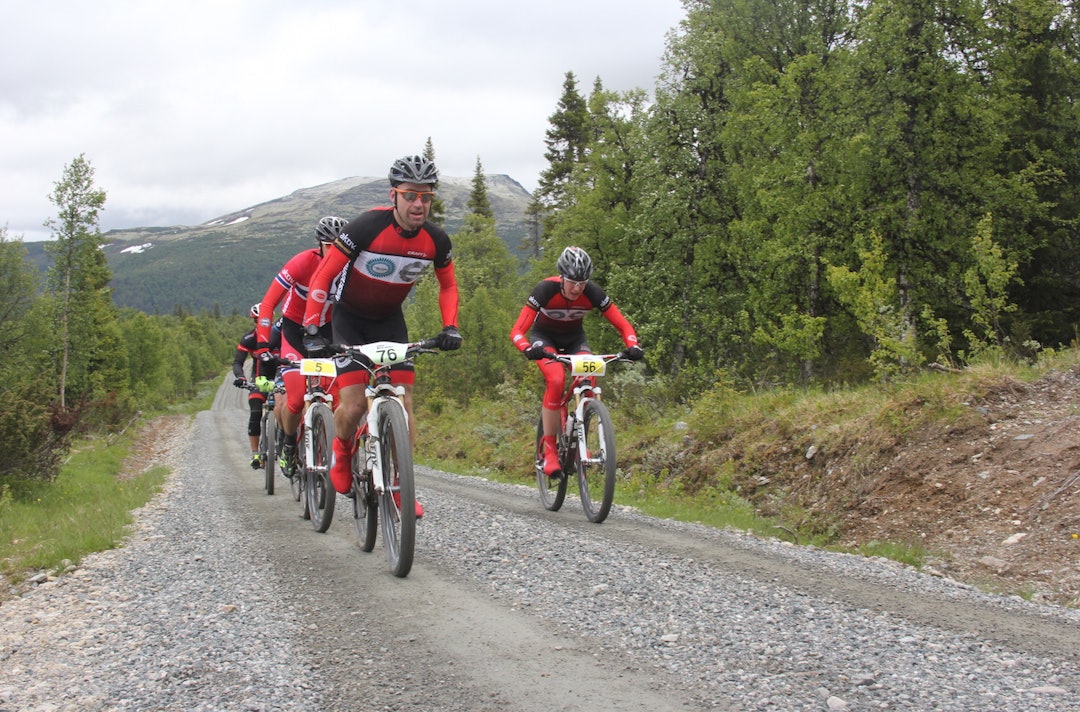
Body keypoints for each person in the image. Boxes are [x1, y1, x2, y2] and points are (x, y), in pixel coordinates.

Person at [302, 155, 463, 516]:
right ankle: (342, 453)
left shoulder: (436, 239)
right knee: (356, 404)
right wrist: (313, 325)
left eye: (426, 196)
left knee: (404, 405)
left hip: (390, 321)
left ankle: (401, 484)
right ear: (394, 195)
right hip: (349, 319)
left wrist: (450, 326)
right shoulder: (365, 227)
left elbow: (448, 285)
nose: (418, 203)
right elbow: (325, 274)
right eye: (410, 195)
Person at [509, 246, 644, 477]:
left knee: (589, 376)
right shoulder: (545, 289)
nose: (577, 288)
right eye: (572, 281)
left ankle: (581, 433)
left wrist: (632, 345)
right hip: (545, 340)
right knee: (556, 378)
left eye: (582, 282)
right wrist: (527, 348)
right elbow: (517, 330)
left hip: (575, 341)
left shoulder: (592, 292)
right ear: (561, 277)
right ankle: (549, 449)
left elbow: (623, 324)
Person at [253, 216, 346, 477]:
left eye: (340, 247)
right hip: (294, 331)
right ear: (320, 245)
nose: (335, 253)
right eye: (330, 246)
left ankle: (338, 452)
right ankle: (288, 444)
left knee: (341, 399)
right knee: (294, 400)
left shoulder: (349, 266)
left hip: (328, 332)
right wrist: (262, 342)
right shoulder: (303, 262)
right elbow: (269, 303)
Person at [232, 304, 281, 469]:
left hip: (282, 377)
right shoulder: (249, 339)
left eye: (264, 320)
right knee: (255, 410)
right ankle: (255, 454)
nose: (260, 323)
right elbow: (238, 362)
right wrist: (241, 377)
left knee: (292, 408)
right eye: (257, 320)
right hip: (260, 379)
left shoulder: (281, 335)